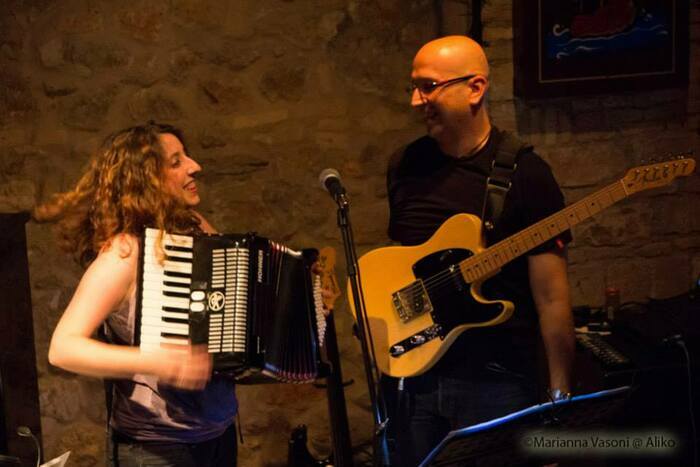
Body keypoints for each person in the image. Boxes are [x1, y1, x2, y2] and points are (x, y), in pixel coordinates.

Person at [386, 36, 575, 465]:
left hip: (498, 381)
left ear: (475, 87)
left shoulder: (528, 175)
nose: (417, 101)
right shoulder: (405, 166)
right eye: (414, 87)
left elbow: (552, 297)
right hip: (418, 380)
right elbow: (403, 263)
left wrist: (560, 399)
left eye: (429, 86)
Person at [35, 123, 238, 466]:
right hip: (155, 450)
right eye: (176, 162)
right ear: (146, 179)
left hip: (218, 433)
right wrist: (153, 360)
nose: (194, 166)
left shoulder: (197, 226)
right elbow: (63, 348)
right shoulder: (124, 252)